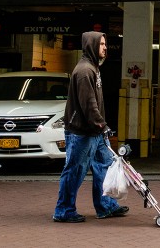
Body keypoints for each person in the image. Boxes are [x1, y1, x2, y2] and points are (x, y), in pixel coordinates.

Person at [53, 31, 129, 223]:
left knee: (104, 166)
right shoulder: (85, 71)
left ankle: (105, 206)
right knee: (74, 171)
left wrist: (100, 127)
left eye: (105, 44)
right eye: (101, 44)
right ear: (91, 46)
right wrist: (101, 124)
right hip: (82, 132)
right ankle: (63, 211)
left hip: (94, 131)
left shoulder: (93, 68)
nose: (105, 47)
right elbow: (89, 105)